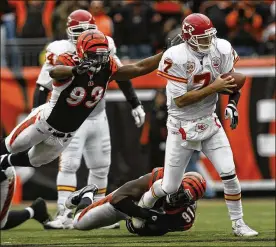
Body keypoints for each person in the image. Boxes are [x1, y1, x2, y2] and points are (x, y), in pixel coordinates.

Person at [133, 13, 258, 237]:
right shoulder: (175, 56)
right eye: (201, 38)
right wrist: (214, 88)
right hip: (181, 125)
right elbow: (180, 101)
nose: (207, 42)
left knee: (229, 173)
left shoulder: (221, 48)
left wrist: (232, 105)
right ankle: (143, 204)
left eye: (209, 37)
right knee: (170, 186)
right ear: (188, 37)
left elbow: (232, 82)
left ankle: (238, 223)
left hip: (209, 121)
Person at [32, 9, 145, 229]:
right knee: (69, 165)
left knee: (101, 166)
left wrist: (135, 103)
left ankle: (95, 215)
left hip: (97, 115)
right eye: (78, 30)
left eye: (87, 29)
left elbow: (120, 75)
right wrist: (37, 119)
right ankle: (64, 215)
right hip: (70, 119)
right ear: (68, 31)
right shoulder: (59, 51)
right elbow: (42, 86)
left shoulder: (105, 45)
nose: (83, 34)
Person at [64, 168, 205, 235]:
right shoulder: (159, 178)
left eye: (183, 198)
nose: (176, 198)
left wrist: (144, 225)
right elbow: (117, 199)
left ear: (191, 202)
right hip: (126, 204)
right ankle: (87, 194)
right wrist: (146, 215)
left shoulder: (184, 218)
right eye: (178, 191)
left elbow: (157, 230)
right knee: (78, 223)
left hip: (143, 214)